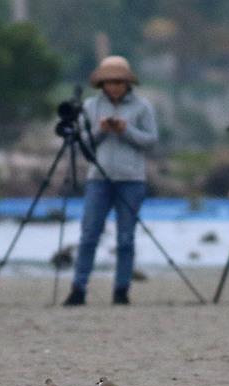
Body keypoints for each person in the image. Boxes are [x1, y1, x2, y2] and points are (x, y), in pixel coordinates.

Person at [63, 56, 158, 307]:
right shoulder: (91, 106)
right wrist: (101, 130)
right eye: (108, 82)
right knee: (89, 235)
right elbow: (82, 142)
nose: (114, 86)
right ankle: (78, 288)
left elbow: (150, 140)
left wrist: (125, 130)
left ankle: (121, 289)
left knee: (125, 238)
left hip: (131, 179)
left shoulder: (142, 107)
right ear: (101, 84)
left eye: (118, 81)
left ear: (127, 82)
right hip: (98, 178)